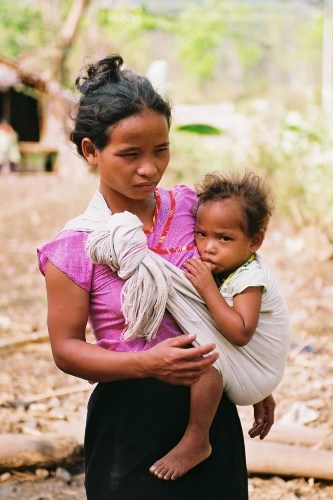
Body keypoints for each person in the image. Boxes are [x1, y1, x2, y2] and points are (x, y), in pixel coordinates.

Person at [37, 54, 276, 500]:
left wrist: (252, 376)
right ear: (92, 151)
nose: (149, 168)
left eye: (161, 150)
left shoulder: (193, 211)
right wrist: (145, 363)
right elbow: (66, 350)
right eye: (130, 155)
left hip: (210, 414)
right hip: (129, 420)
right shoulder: (77, 246)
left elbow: (238, 287)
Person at [148, 171, 291, 480]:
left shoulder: (250, 279)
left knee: (204, 368)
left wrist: (208, 290)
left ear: (255, 241)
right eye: (201, 234)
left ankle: (198, 439)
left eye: (224, 238)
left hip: (256, 369)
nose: (209, 247)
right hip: (254, 371)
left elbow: (240, 334)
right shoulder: (231, 264)